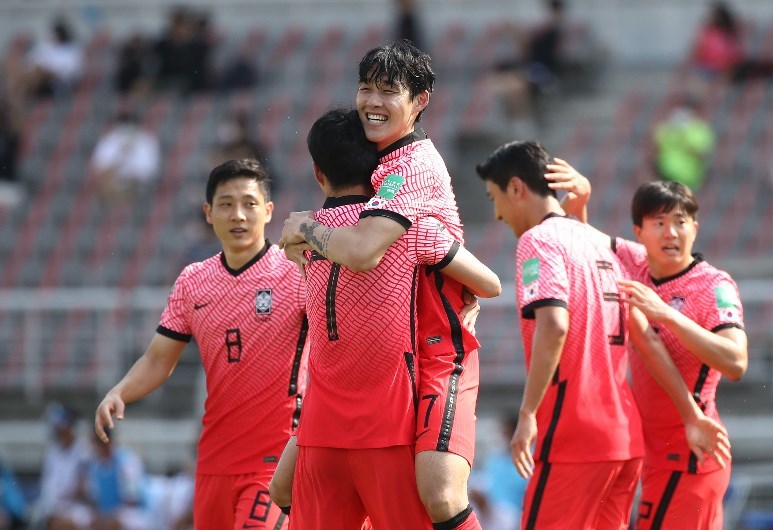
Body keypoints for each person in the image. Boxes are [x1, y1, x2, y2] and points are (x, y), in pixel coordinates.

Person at [279, 40, 496, 530]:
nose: (372, 102)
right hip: (376, 366)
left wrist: (305, 227)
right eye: (365, 88)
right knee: (285, 486)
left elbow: (361, 251)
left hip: (436, 353)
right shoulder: (375, 167)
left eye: (388, 91)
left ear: (420, 101)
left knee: (439, 495)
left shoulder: (410, 166)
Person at [95, 158, 309, 530]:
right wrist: (121, 391)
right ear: (208, 213)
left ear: (269, 211)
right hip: (214, 461)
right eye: (226, 204)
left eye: (249, 203)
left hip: (277, 459)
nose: (238, 215)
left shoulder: (297, 272)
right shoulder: (193, 280)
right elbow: (160, 359)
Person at [550, 172, 745, 529]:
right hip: (654, 454)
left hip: (690, 454)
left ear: (695, 228)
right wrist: (580, 200)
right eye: (659, 222)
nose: (670, 233)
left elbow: (736, 362)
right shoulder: (635, 261)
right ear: (639, 232)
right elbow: (578, 239)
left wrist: (667, 314)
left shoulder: (713, 286)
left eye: (680, 222)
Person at [475, 140, 646, 529]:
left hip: (574, 434)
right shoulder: (601, 242)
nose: (498, 215)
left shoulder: (537, 241)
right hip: (624, 436)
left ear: (516, 188)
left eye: (495, 198)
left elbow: (553, 324)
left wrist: (527, 414)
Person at [33, 403, 91, 530]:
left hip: (79, 508)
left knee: (60, 523)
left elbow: (82, 490)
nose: (59, 432)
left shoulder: (84, 452)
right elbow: (47, 486)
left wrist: (63, 503)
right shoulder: (52, 452)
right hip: (54, 507)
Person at [89, 109, 161, 204]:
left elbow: (147, 174)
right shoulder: (109, 139)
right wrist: (120, 157)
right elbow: (99, 171)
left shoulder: (147, 141)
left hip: (137, 188)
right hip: (111, 184)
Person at [654, 96, 715, 192]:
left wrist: (684, 137)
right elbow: (655, 148)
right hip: (667, 172)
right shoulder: (668, 127)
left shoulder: (700, 129)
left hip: (690, 177)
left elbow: (701, 154)